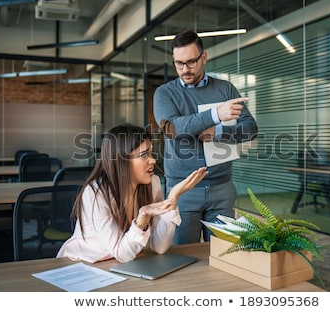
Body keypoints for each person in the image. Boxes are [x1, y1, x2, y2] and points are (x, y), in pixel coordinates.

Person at [153, 30, 258, 245]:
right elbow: (171, 127)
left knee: (224, 254)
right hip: (182, 189)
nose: (185, 69)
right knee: (183, 254)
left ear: (204, 57)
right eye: (178, 63)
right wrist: (215, 115)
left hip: (222, 188)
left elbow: (250, 128)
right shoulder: (165, 93)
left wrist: (220, 132)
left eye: (191, 62)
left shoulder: (225, 89)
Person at [56, 124, 208, 263]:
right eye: (144, 155)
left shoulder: (152, 184)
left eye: (151, 153)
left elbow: (160, 247)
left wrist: (172, 198)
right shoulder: (96, 193)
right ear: (122, 160)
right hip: (82, 263)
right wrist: (143, 217)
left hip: (118, 264)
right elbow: (122, 254)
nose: (153, 160)